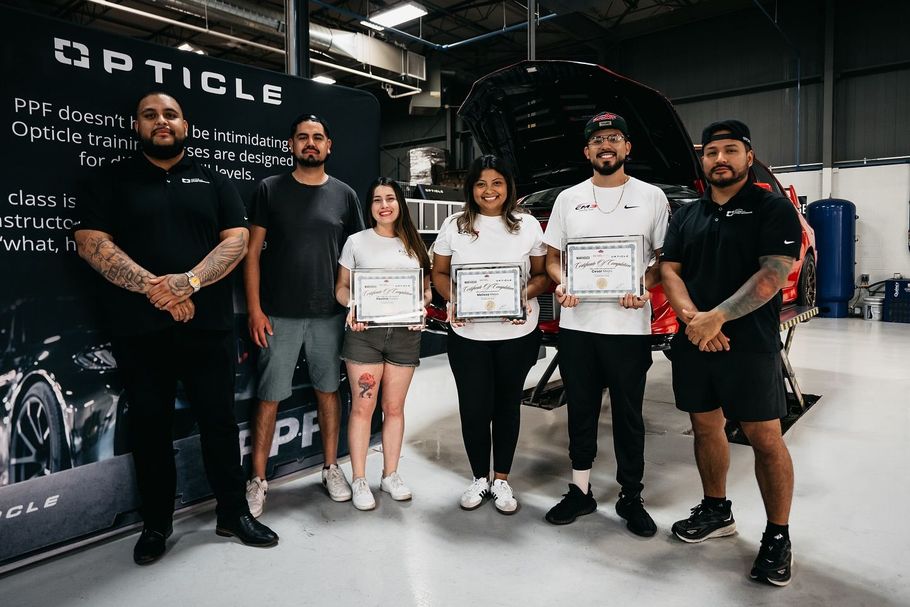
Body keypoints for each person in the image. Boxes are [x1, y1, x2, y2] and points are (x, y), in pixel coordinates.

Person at [74, 91, 278, 565]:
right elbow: (90, 243)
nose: (161, 121)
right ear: (137, 125)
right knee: (150, 428)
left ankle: (232, 513)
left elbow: (238, 240)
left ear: (185, 125)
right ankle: (157, 524)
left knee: (220, 423)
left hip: (206, 328)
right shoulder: (112, 178)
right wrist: (158, 292)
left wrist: (188, 283)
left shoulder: (212, 179)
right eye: (150, 115)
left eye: (170, 114)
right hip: (140, 331)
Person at [660, 119, 801, 586]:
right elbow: (671, 271)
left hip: (749, 343)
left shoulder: (770, 207)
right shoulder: (687, 215)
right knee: (705, 426)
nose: (720, 159)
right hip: (696, 338)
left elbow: (774, 273)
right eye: (711, 152)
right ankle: (717, 511)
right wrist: (692, 320)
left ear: (747, 155)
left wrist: (716, 318)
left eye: (730, 150)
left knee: (764, 437)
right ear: (702, 161)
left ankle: (778, 535)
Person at [542, 111, 669, 537]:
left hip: (629, 327)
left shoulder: (652, 197)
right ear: (587, 151)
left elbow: (662, 260)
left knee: (629, 416)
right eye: (598, 140)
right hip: (578, 325)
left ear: (627, 147)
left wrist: (643, 286)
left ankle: (631, 496)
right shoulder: (568, 199)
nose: (606, 145)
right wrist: (563, 285)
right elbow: (552, 260)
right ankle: (580, 490)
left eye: (615, 138)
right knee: (579, 409)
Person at [244, 114, 364, 516]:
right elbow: (251, 255)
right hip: (277, 315)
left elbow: (359, 258)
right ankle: (258, 479)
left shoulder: (345, 195)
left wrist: (358, 307)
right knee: (269, 396)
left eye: (317, 138)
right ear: (291, 144)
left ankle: (331, 468)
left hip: (329, 315)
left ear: (329, 145)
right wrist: (255, 310)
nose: (309, 143)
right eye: (302, 138)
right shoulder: (269, 190)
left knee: (328, 391)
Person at [432, 154, 550, 515]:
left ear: (508, 187)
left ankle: (501, 479)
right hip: (468, 334)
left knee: (506, 405)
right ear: (471, 188)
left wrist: (520, 295)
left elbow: (543, 276)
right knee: (473, 407)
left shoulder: (527, 226)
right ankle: (478, 478)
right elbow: (439, 274)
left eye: (496, 182)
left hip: (516, 332)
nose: (489, 190)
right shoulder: (454, 225)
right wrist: (457, 300)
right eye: (481, 183)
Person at [334, 178, 432, 510]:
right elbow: (341, 288)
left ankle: (390, 474)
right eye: (377, 200)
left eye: (390, 198)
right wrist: (353, 307)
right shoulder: (356, 242)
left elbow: (427, 290)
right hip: (365, 336)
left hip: (405, 335)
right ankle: (360, 478)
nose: (384, 205)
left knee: (393, 409)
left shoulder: (415, 244)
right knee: (363, 407)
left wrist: (421, 307)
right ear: (370, 206)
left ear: (400, 203)